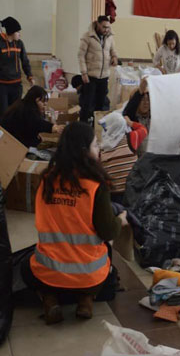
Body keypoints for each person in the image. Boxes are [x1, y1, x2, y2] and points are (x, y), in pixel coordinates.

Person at [27, 122, 128, 324]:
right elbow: (108, 231)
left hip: (49, 272)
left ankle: (50, 298)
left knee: (26, 266)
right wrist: (121, 220)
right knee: (108, 266)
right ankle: (86, 299)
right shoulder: (95, 185)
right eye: (95, 145)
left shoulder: (46, 180)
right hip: (87, 274)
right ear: (84, 151)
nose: (99, 149)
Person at [0, 16, 34, 121]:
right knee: (2, 113)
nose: (19, 34)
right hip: (1, 86)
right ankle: (2, 136)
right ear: (11, 32)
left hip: (16, 85)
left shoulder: (20, 44)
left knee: (15, 113)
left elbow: (25, 61)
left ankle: (13, 136)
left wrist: (30, 77)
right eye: (17, 32)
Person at [98, 112, 147, 201]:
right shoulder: (130, 139)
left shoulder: (102, 148)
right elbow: (143, 130)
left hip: (112, 195)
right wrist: (130, 122)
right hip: (131, 192)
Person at [78, 15, 118, 124]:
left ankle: (97, 127)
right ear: (98, 25)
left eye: (108, 27)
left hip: (104, 76)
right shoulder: (87, 37)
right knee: (87, 104)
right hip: (90, 76)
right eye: (104, 27)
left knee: (101, 105)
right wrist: (84, 73)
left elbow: (113, 51)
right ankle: (83, 126)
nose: (106, 30)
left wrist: (114, 57)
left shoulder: (110, 37)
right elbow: (81, 55)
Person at [0, 85, 64, 148]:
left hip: (11, 138)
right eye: (42, 101)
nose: (45, 104)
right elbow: (38, 123)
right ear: (36, 100)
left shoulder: (22, 104)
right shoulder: (27, 110)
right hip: (14, 142)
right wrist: (54, 127)